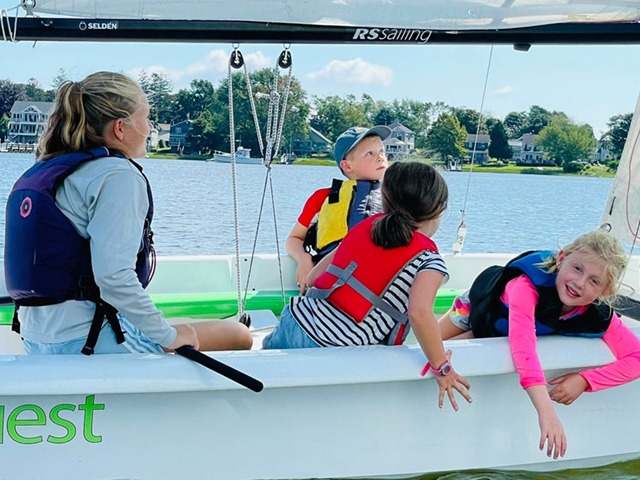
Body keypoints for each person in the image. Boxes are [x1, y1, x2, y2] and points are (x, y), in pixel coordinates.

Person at [3, 71, 253, 355]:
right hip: (90, 343)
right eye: (146, 118)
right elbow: (113, 277)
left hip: (37, 341)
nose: (150, 127)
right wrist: (168, 336)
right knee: (239, 334)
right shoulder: (118, 175)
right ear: (120, 128)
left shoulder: (47, 171)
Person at [265, 161, 473, 411]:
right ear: (440, 209)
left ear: (385, 199)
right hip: (336, 350)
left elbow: (312, 279)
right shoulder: (429, 261)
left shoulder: (366, 226)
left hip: (294, 320)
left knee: (270, 393)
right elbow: (419, 313)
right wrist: (442, 367)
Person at [438, 231, 640, 459]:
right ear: (561, 258)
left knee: (457, 348)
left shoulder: (598, 316)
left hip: (504, 331)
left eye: (595, 281)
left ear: (605, 292)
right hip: (477, 311)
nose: (580, 283)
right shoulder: (525, 287)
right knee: (431, 349)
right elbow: (523, 348)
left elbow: (637, 357)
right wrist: (547, 413)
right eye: (577, 268)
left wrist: (585, 380)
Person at [286, 125, 391, 294]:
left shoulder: (395, 198)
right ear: (347, 166)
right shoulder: (323, 198)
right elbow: (294, 239)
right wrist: (304, 259)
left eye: (382, 151)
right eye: (370, 153)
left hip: (380, 282)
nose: (380, 158)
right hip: (333, 280)